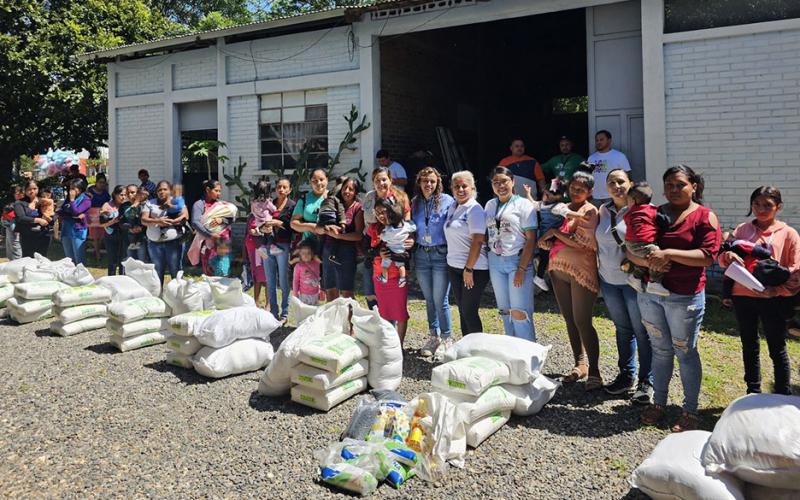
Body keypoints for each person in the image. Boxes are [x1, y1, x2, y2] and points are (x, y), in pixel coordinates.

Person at [635, 165, 721, 433]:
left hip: (684, 297)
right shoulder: (655, 212)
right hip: (650, 294)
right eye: (669, 185)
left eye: (680, 184)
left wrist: (668, 254)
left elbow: (708, 256)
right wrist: (644, 260)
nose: (674, 190)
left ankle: (690, 410)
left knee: (685, 352)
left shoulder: (705, 217)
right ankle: (658, 403)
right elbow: (634, 245)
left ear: (694, 186)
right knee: (660, 350)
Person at [718, 186, 799, 396]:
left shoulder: (789, 234)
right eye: (756, 204)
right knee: (749, 344)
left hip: (773, 298)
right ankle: (752, 392)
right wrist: (728, 257)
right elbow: (724, 256)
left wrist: (777, 291)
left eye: (767, 205)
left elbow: (795, 269)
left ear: (778, 207)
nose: (761, 209)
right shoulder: (743, 229)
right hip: (742, 295)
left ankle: (782, 394)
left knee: (777, 347)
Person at [539, 171, 602, 391]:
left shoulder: (590, 211)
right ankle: (580, 363)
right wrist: (550, 242)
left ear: (590, 192)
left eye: (581, 189)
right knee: (569, 319)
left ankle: (594, 371)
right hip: (558, 270)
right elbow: (560, 240)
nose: (576, 192)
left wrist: (554, 233)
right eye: (573, 187)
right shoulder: (565, 208)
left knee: (582, 321)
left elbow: (582, 243)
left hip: (580, 271)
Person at [595, 169, 654, 404]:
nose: (617, 185)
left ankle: (646, 381)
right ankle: (626, 375)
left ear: (630, 183)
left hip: (633, 282)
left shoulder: (640, 210)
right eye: (612, 182)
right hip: (608, 280)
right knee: (622, 329)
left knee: (642, 331)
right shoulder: (602, 210)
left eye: (621, 181)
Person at [485, 166, 538, 341]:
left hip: (517, 261)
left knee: (519, 312)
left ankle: (528, 358)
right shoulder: (490, 205)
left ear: (513, 182)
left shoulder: (523, 204)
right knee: (505, 311)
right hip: (496, 260)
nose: (500, 186)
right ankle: (512, 353)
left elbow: (531, 239)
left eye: (504, 181)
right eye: (496, 182)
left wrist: (522, 269)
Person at [411, 167, 456, 358]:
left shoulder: (447, 201)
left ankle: (447, 338)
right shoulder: (415, 203)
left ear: (438, 183)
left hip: (440, 254)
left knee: (440, 299)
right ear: (419, 183)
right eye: (425, 181)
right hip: (421, 254)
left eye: (432, 181)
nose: (428, 185)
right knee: (428, 299)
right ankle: (433, 336)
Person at [444, 170, 489, 335]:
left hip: (474, 269)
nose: (460, 189)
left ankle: (477, 351)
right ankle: (466, 349)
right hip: (454, 266)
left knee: (469, 312)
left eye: (464, 186)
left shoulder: (474, 209)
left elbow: (478, 241)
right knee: (463, 311)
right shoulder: (454, 207)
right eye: (457, 186)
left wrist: (468, 268)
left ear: (472, 188)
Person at [361, 167, 411, 311]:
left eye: (384, 179)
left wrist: (410, 239)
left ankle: (390, 324)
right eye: (377, 180)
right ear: (373, 182)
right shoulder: (369, 197)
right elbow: (364, 219)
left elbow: (407, 223)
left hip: (393, 247)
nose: (381, 183)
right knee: (369, 290)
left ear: (390, 180)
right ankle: (377, 320)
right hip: (372, 245)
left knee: (391, 290)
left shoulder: (400, 197)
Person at [367, 197, 411, 345]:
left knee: (400, 313)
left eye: (384, 211)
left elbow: (408, 251)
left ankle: (399, 345)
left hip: (398, 276)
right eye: (377, 212)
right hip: (380, 275)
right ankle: (388, 344)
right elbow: (366, 250)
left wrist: (412, 242)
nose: (381, 215)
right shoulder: (373, 229)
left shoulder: (401, 227)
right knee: (384, 312)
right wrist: (377, 253)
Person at [622, 182, 671, 296]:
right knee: (656, 254)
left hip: (629, 243)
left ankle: (635, 278)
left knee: (644, 257)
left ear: (633, 200)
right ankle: (654, 282)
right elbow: (665, 221)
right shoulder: (653, 210)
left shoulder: (629, 213)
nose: (627, 203)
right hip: (643, 243)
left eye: (628, 200)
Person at [322, 176, 363, 301]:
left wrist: (339, 236)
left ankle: (350, 320)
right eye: (345, 188)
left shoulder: (357, 208)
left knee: (346, 293)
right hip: (329, 250)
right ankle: (332, 320)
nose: (347, 191)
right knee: (330, 289)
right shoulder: (334, 203)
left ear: (356, 192)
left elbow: (358, 235)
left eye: (351, 189)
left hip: (347, 252)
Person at [523, 181, 569, 293]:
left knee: (546, 257)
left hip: (551, 236)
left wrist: (580, 215)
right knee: (546, 257)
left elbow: (568, 213)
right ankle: (539, 276)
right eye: (546, 193)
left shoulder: (558, 207)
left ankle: (540, 273)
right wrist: (528, 193)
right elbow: (532, 203)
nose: (546, 196)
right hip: (548, 236)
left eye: (550, 194)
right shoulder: (543, 204)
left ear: (558, 197)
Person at [142, 180, 189, 283]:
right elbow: (143, 219)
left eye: (165, 189)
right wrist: (157, 221)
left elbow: (185, 215)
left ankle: (177, 295)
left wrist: (175, 221)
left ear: (170, 191)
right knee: (157, 272)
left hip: (174, 243)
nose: (162, 192)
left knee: (175, 270)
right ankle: (159, 295)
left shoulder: (177, 200)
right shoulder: (150, 203)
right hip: (154, 244)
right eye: (159, 190)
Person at [265, 178, 295, 319]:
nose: (281, 189)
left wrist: (278, 222)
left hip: (283, 245)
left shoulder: (292, 206)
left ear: (289, 190)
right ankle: (273, 312)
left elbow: (293, 226)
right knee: (270, 280)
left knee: (283, 280)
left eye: (284, 187)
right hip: (266, 245)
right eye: (279, 187)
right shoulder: (268, 204)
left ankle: (285, 312)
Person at [189, 180, 233, 275]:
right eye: (216, 191)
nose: (219, 193)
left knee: (223, 270)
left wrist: (222, 220)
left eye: (220, 191)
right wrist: (210, 235)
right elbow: (195, 222)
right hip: (208, 243)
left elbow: (231, 218)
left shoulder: (221, 205)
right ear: (208, 190)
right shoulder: (199, 205)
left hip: (222, 244)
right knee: (210, 269)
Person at [376, 199, 415, 288]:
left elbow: (384, 238)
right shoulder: (406, 227)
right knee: (401, 266)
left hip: (390, 251)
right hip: (401, 250)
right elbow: (413, 227)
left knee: (385, 265)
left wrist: (381, 236)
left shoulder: (389, 229)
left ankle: (384, 277)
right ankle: (402, 278)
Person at [247, 181, 273, 309]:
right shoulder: (268, 206)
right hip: (257, 245)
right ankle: (260, 303)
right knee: (263, 275)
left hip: (260, 244)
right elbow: (251, 230)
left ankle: (261, 303)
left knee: (263, 275)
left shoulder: (253, 205)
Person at [586, 130, 631, 205]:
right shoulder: (591, 158)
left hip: (614, 196)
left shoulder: (619, 156)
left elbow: (628, 176)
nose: (598, 142)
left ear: (609, 140)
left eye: (601, 140)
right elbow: (588, 177)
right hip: (595, 197)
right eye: (597, 140)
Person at [290, 168, 328, 250]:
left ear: (327, 180)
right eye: (314, 180)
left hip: (330, 246)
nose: (318, 183)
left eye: (321, 179)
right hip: (308, 248)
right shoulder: (304, 199)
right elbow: (293, 223)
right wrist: (311, 227)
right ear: (310, 182)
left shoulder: (334, 198)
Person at [57, 179, 91, 265]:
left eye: (73, 188)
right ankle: (71, 275)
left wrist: (72, 201)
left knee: (78, 256)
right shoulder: (68, 198)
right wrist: (72, 215)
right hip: (66, 229)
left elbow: (76, 211)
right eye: (70, 188)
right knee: (69, 258)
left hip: (78, 230)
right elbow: (61, 211)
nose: (71, 191)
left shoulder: (86, 200)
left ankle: (81, 276)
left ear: (80, 188)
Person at [13, 180, 51, 258]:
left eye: (34, 188)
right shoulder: (19, 203)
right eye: (29, 189)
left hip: (43, 235)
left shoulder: (44, 201)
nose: (32, 191)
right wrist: (38, 220)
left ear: (38, 189)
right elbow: (21, 218)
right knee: (28, 259)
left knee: (42, 259)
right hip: (27, 236)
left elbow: (52, 214)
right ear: (25, 191)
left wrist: (50, 218)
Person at [318, 176, 347, 265]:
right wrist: (343, 222)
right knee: (336, 236)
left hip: (322, 216)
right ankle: (333, 255)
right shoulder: (338, 196)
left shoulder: (328, 195)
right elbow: (341, 210)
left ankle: (318, 253)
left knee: (321, 237)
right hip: (331, 216)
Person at [99, 185, 127, 276]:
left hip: (123, 235)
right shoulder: (107, 205)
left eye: (125, 195)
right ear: (115, 194)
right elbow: (102, 224)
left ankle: (122, 281)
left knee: (123, 261)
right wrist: (113, 221)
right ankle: (111, 281)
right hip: (110, 236)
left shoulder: (126, 205)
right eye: (121, 195)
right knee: (112, 261)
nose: (123, 197)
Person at [119, 185, 148, 261]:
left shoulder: (145, 205)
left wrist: (141, 228)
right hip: (129, 239)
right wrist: (130, 228)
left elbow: (149, 220)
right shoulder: (124, 206)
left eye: (132, 192)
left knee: (142, 261)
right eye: (127, 193)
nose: (130, 195)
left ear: (138, 193)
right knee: (130, 262)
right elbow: (121, 222)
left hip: (143, 238)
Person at [87, 173, 110, 261]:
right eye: (100, 182)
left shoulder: (105, 193)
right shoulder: (90, 192)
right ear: (96, 182)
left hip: (102, 216)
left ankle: (97, 251)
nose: (102, 184)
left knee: (102, 236)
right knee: (95, 237)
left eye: (104, 183)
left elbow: (108, 202)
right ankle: (97, 255)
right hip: (92, 216)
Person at [292, 240, 322, 306]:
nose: (306, 255)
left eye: (308, 253)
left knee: (314, 313)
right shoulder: (298, 266)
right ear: (299, 254)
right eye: (303, 253)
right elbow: (295, 281)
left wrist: (321, 291)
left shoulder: (317, 263)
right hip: (304, 295)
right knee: (305, 313)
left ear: (312, 254)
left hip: (316, 294)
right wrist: (295, 294)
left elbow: (321, 277)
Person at [3, 186, 24, 260]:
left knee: (16, 246)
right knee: (9, 246)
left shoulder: (24, 203)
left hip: (16, 228)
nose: (17, 194)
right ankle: (12, 263)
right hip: (9, 226)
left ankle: (17, 264)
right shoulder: (13, 203)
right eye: (16, 193)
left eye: (20, 193)